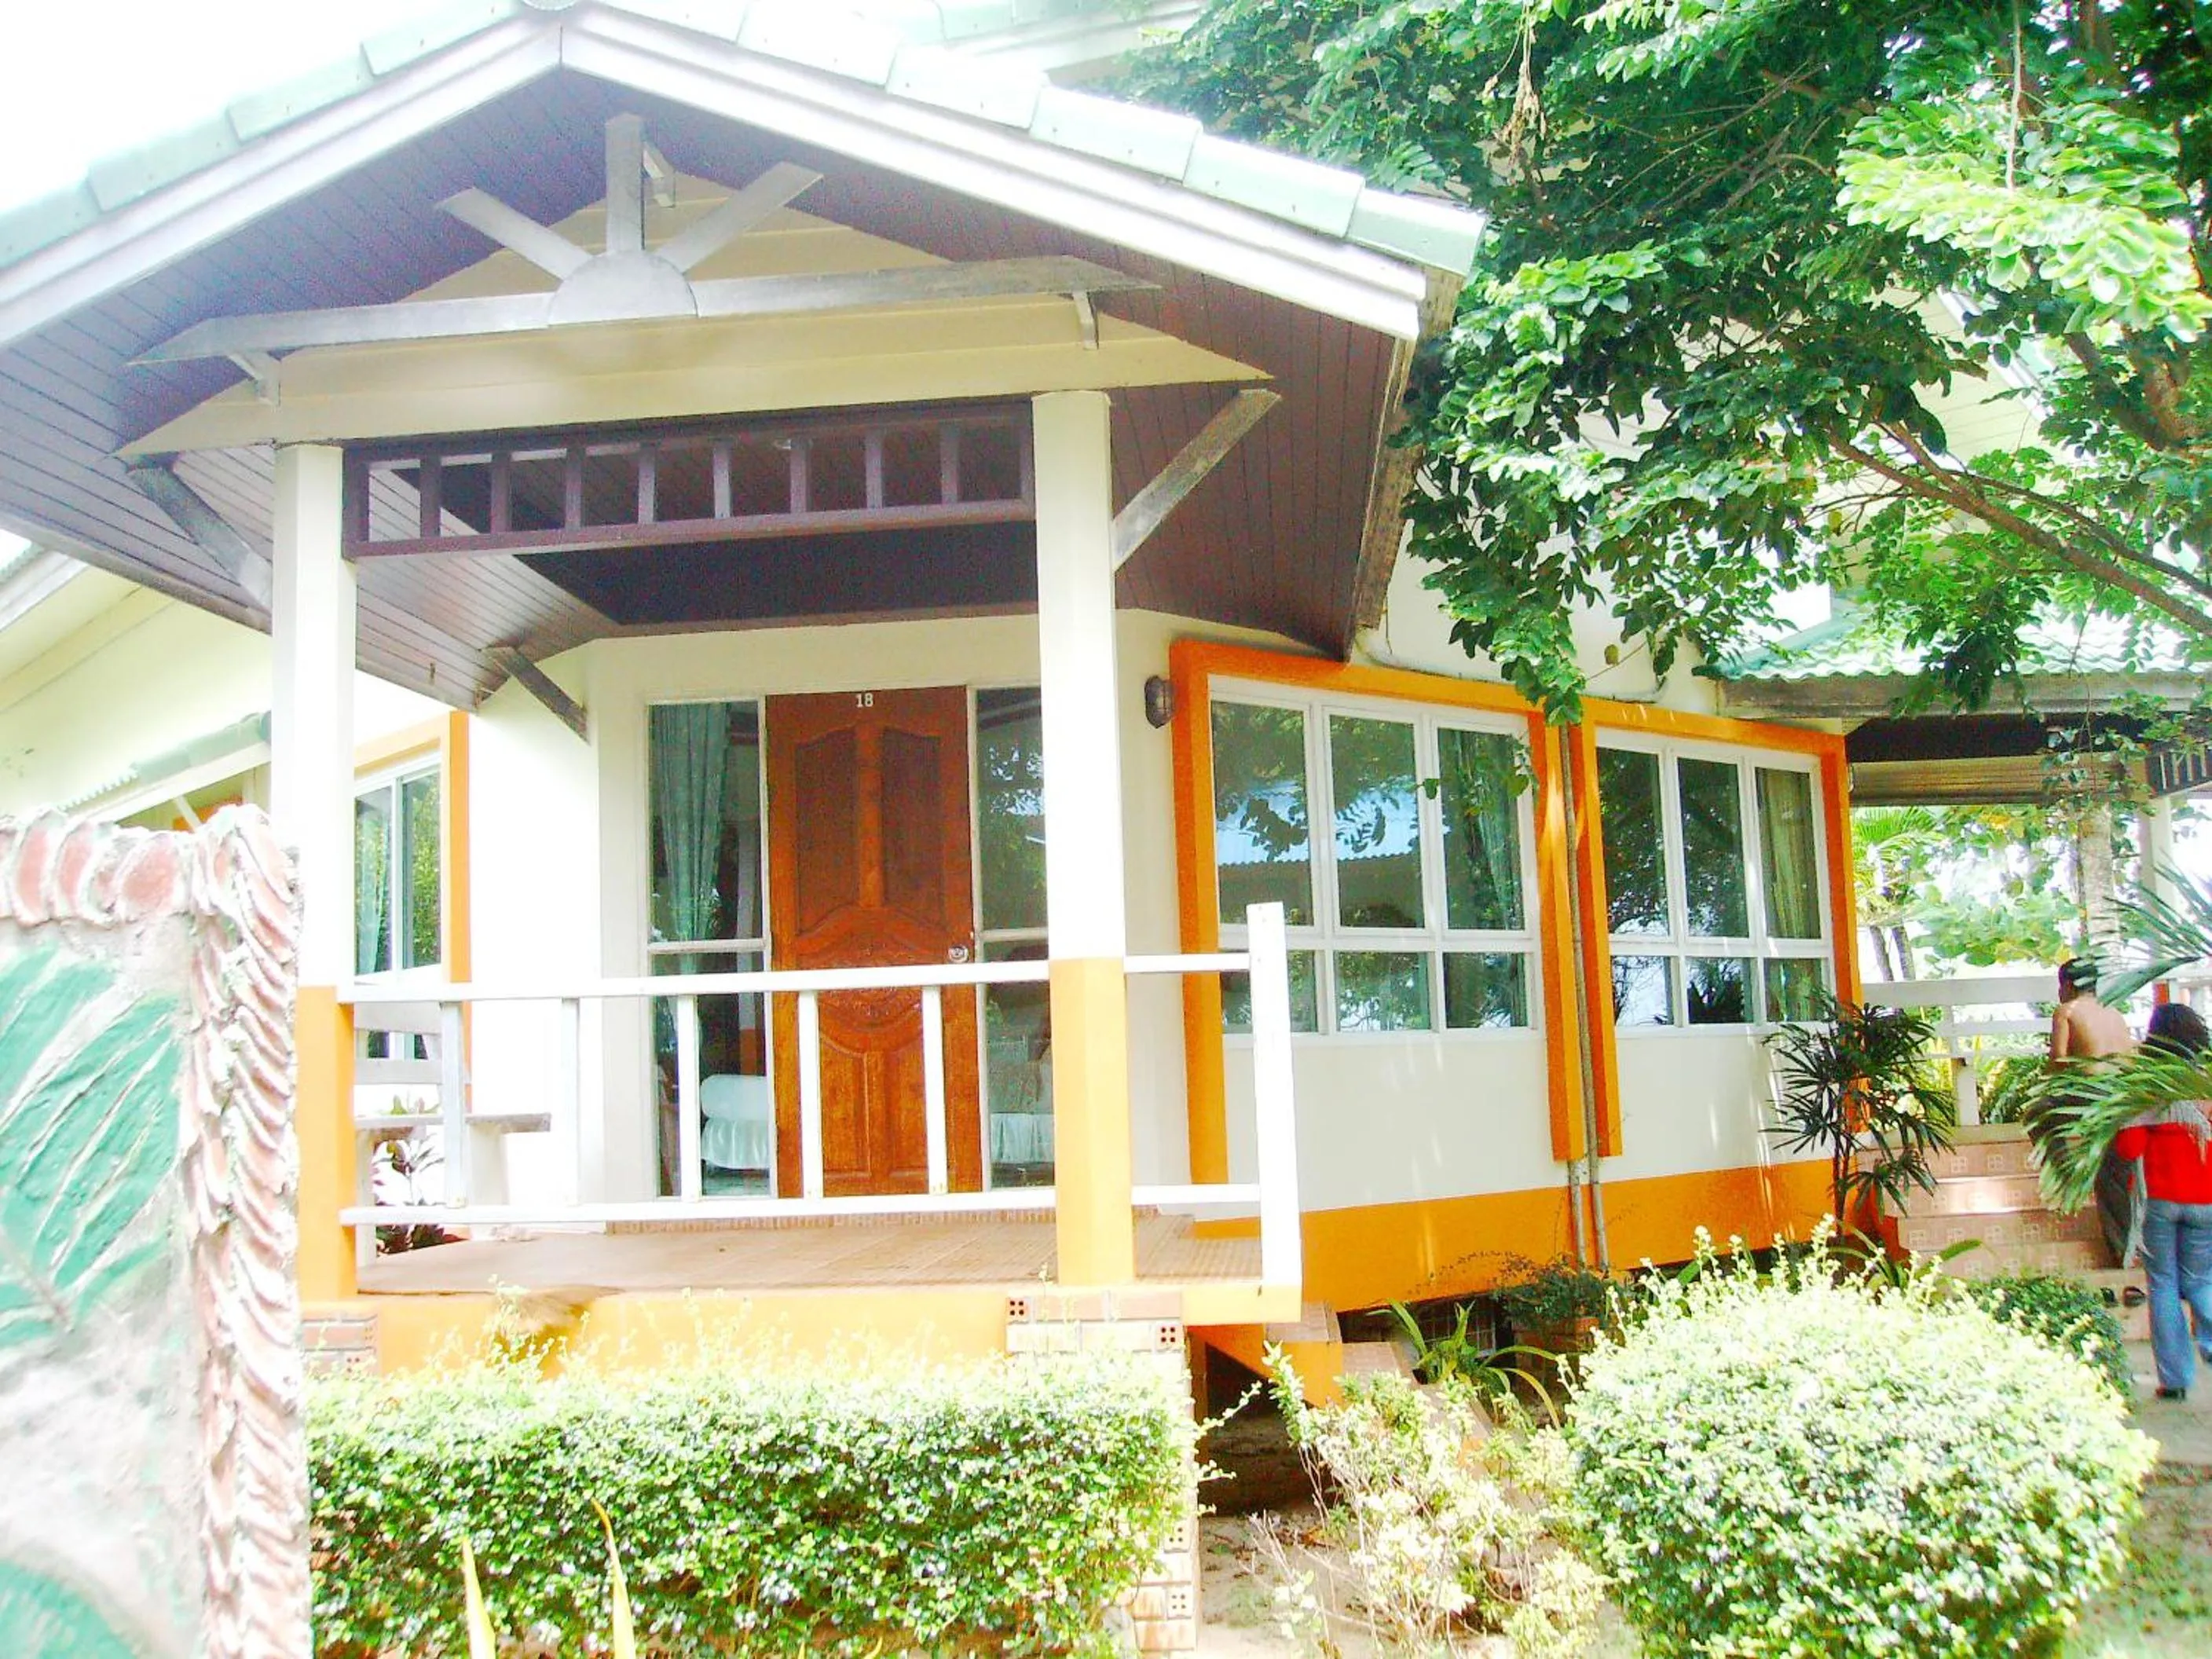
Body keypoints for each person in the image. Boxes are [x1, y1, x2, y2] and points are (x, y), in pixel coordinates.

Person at [2114, 1001, 2212, 1401]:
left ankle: (2174, 1381)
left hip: (2160, 1201)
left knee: (2164, 1284)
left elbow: (2128, 1146)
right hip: (2206, 1198)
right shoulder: (2205, 1080)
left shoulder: (2147, 1084)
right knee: (2201, 1279)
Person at [2050, 958, 2139, 1263]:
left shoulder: (2067, 1011)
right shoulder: (2115, 1013)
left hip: (2091, 1098)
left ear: (2068, 986)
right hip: (2125, 1100)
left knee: (2039, 1114)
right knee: (2115, 1175)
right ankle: (2123, 1251)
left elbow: (2059, 1063)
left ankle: (2065, 1173)